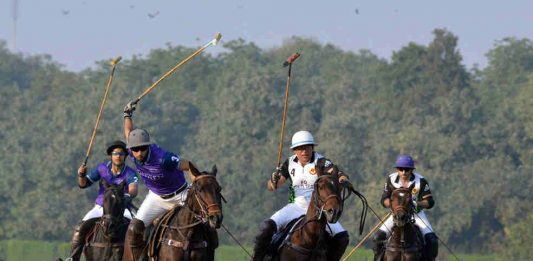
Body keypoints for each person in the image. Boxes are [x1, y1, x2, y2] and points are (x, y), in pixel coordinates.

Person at [251, 130, 351, 261]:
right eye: (300, 149)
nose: (304, 152)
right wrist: (274, 180)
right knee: (266, 228)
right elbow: (273, 186)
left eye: (307, 148)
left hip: (318, 210)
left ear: (312, 147)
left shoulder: (321, 162)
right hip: (296, 206)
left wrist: (343, 179)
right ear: (294, 150)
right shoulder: (289, 163)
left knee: (342, 237)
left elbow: (336, 174)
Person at [122, 101, 202, 260]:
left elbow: (189, 165)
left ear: (148, 146)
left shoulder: (164, 159)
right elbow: (129, 131)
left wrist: (197, 183)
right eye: (135, 149)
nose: (138, 152)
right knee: (134, 228)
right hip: (157, 198)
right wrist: (127, 114)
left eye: (142, 148)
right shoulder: (132, 152)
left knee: (207, 222)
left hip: (181, 195)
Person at [66, 140, 139, 261]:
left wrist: (124, 198)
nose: (118, 156)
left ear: (125, 156)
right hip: (101, 207)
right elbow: (83, 184)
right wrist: (81, 175)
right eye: (115, 153)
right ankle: (73, 257)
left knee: (137, 228)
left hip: (122, 208)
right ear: (111, 155)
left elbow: (133, 190)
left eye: (121, 154)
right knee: (81, 227)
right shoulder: (102, 168)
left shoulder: (130, 173)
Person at [372, 154, 438, 261]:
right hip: (396, 214)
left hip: (416, 214)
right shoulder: (391, 179)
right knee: (377, 237)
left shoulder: (421, 181)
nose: (404, 172)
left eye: (407, 170)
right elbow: (384, 200)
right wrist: (394, 205)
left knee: (432, 240)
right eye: (401, 169)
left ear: (412, 170)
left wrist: (418, 204)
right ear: (397, 169)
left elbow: (430, 202)